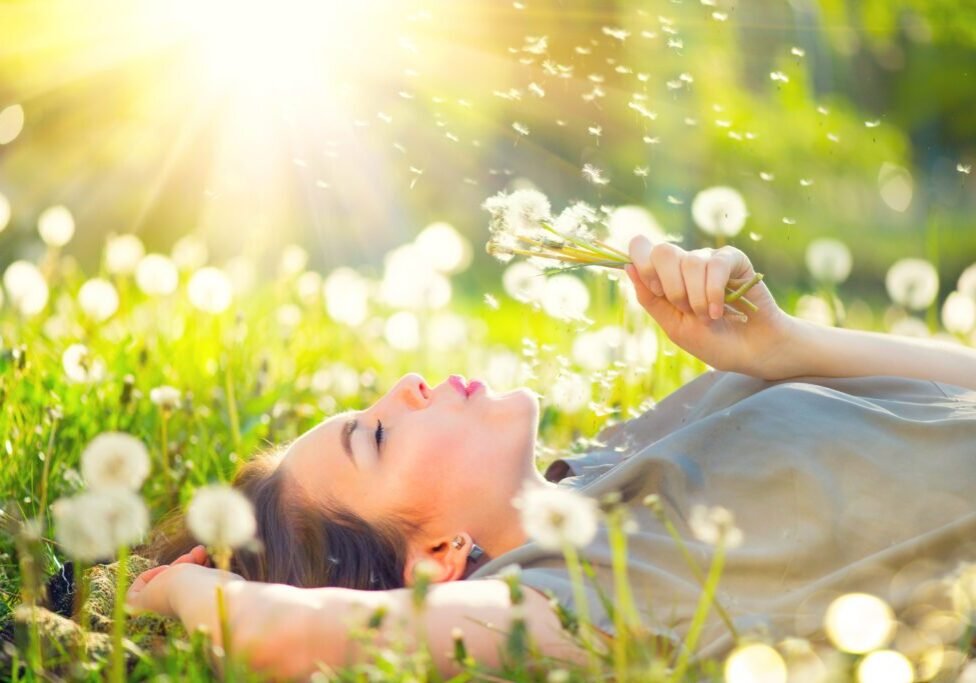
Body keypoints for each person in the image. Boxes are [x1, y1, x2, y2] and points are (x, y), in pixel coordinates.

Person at [127, 236, 976, 679]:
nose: (407, 384)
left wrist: (784, 347)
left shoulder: (614, 460)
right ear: (435, 560)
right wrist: (182, 590)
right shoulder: (561, 602)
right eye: (377, 435)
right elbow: (286, 637)